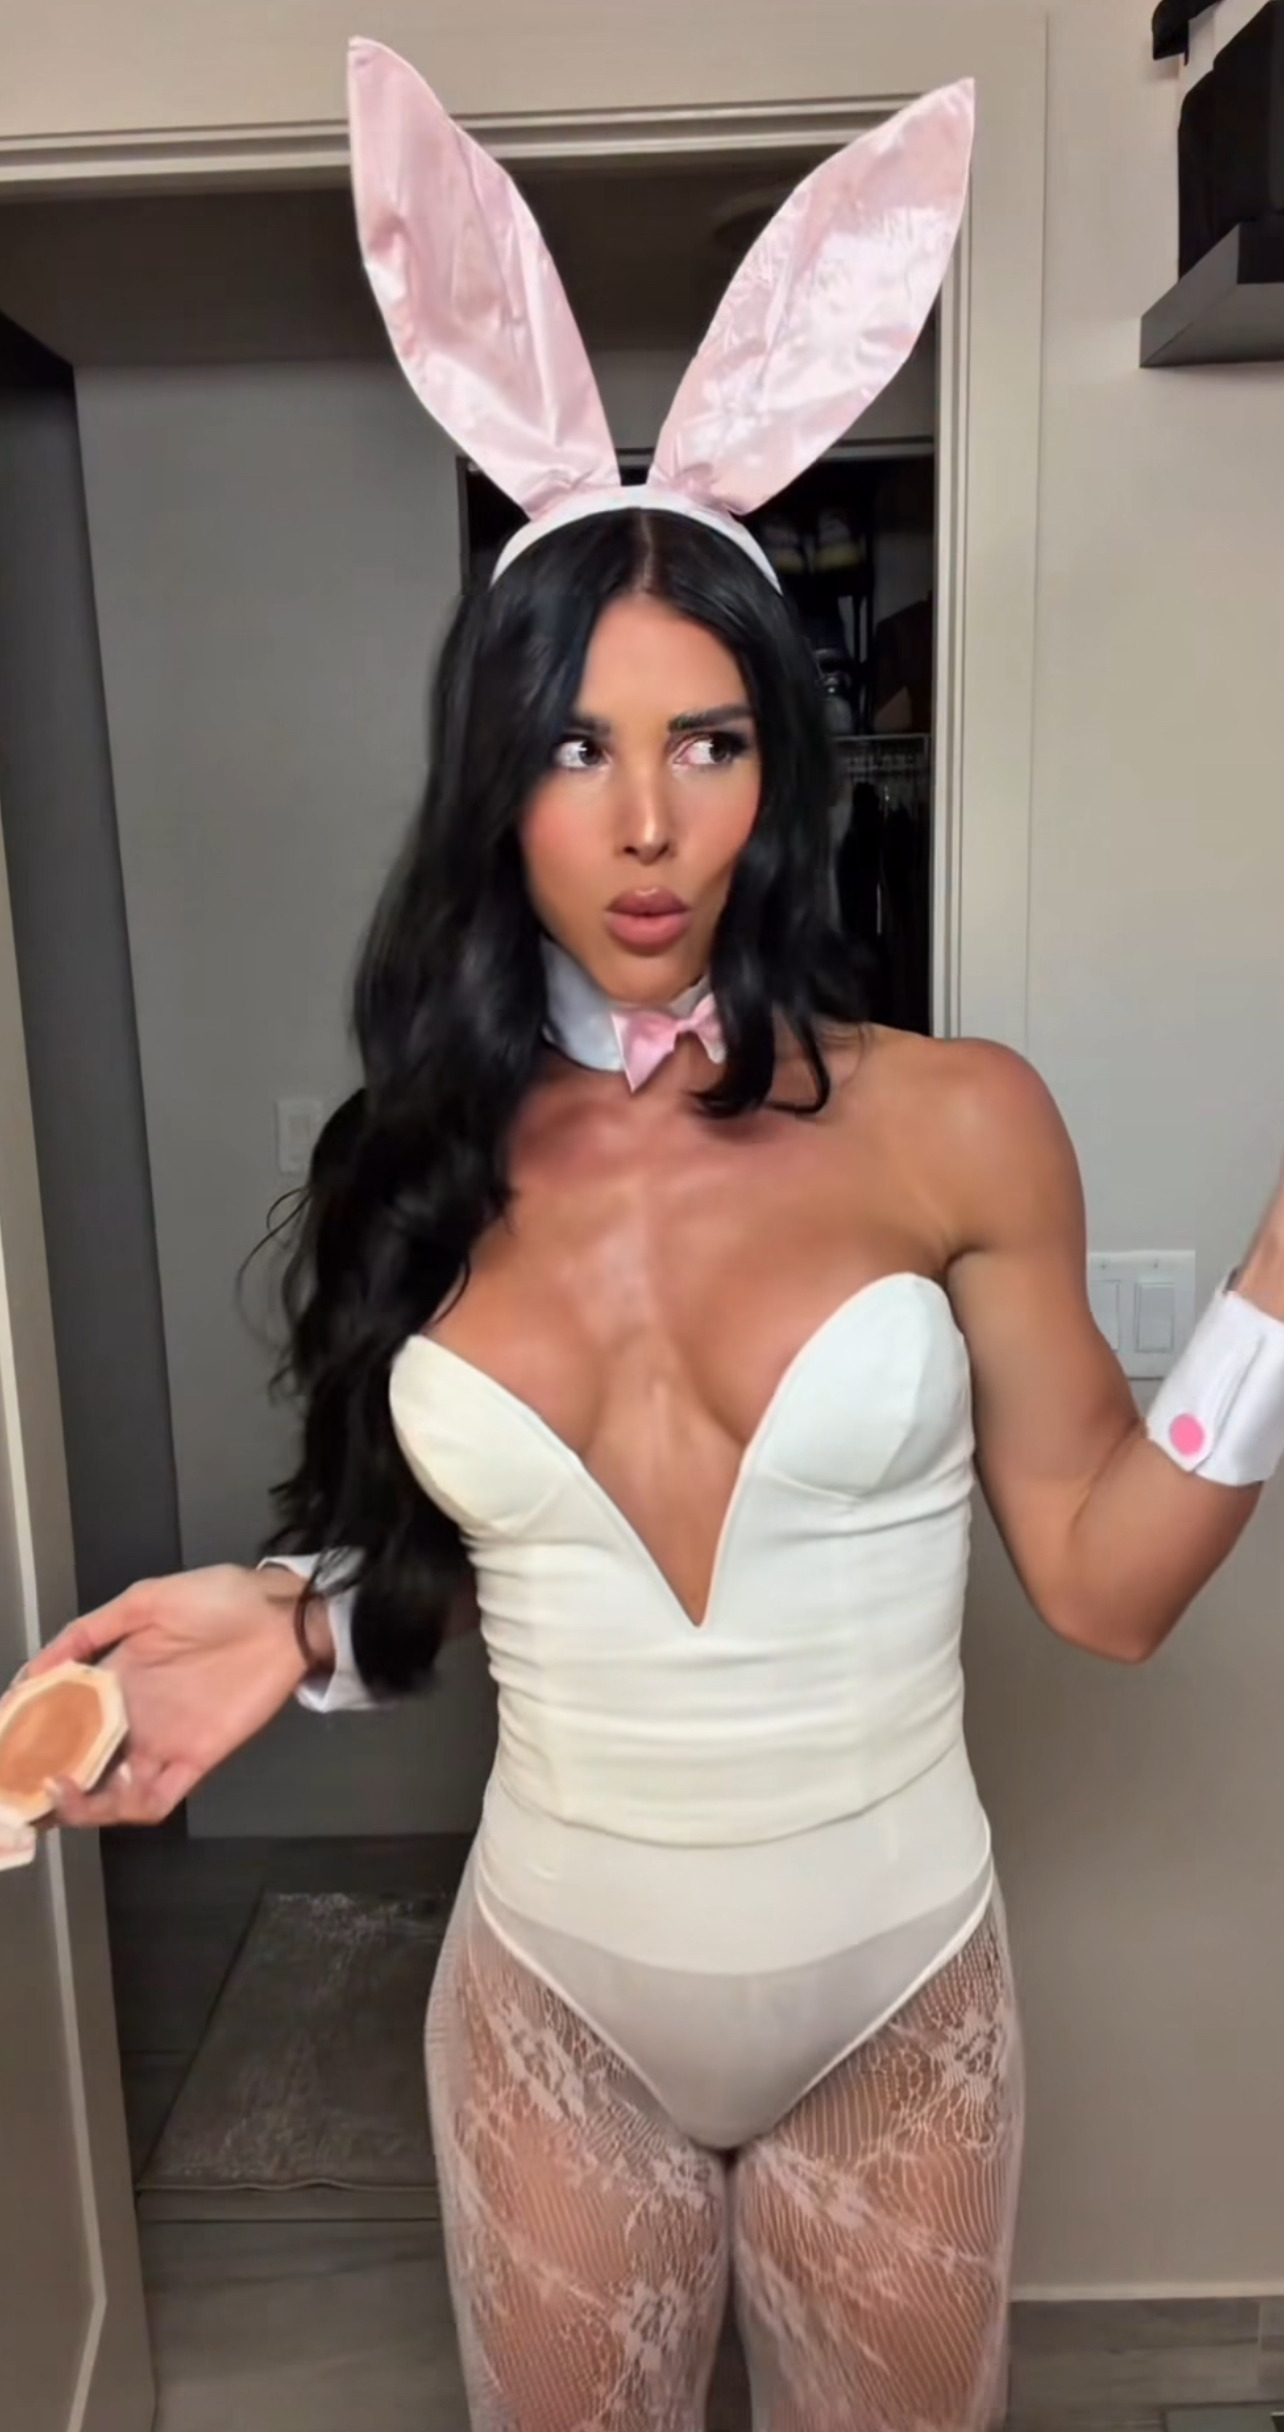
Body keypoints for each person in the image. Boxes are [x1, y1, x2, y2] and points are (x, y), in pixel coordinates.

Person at [28, 41, 1284, 2432]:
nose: (644, 825)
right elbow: (474, 1574)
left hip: (895, 1995)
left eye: (707, 741)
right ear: (487, 778)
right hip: (553, 2001)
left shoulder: (955, 1119)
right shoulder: (418, 1154)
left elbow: (1114, 1588)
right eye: (573, 746)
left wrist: (1282, 1282)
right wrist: (287, 1627)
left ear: (779, 769)